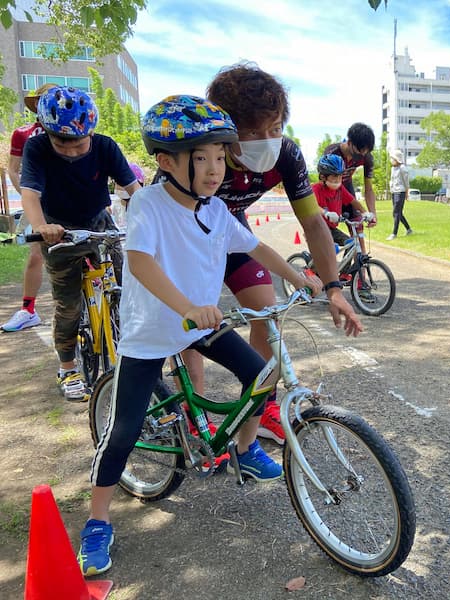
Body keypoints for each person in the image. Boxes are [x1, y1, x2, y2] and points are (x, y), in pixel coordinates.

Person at [76, 95, 323, 576]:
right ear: (167, 162)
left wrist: (301, 279)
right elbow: (142, 260)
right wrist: (187, 306)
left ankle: (245, 449)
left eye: (219, 157)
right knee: (124, 429)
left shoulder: (213, 209)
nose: (215, 170)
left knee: (263, 375)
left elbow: (255, 247)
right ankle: (98, 520)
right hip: (153, 333)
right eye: (201, 158)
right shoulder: (149, 203)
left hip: (199, 326)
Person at [203, 61, 362, 445]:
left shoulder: (287, 156)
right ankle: (193, 417)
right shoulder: (203, 153)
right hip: (190, 239)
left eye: (274, 128)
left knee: (266, 313)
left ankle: (263, 406)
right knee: (193, 325)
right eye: (252, 132)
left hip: (235, 232)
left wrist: (334, 288)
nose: (267, 140)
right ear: (226, 131)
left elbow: (313, 224)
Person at [20, 86, 140, 400]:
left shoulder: (105, 147)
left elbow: (133, 188)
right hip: (56, 229)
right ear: (46, 131)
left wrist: (151, 220)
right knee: (68, 304)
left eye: (80, 142)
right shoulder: (36, 148)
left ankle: (131, 351)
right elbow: (30, 194)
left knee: (128, 289)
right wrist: (41, 226)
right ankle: (68, 367)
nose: (72, 150)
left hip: (99, 222)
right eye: (62, 142)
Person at [1, 84, 58, 333]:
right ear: (35, 104)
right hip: (38, 202)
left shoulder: (75, 128)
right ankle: (28, 309)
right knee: (36, 253)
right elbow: (13, 167)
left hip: (72, 200)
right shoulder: (24, 134)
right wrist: (27, 194)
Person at [324, 122, 378, 255]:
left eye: (365, 153)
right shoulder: (332, 152)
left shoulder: (366, 157)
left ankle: (359, 272)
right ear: (349, 142)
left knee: (358, 229)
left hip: (346, 188)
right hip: (329, 191)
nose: (361, 156)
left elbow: (369, 189)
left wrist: (372, 213)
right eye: (359, 152)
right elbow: (324, 181)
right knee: (326, 234)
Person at [313, 154, 368, 247]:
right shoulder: (316, 189)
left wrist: (365, 212)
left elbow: (353, 201)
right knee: (331, 249)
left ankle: (346, 262)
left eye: (340, 176)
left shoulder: (340, 189)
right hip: (317, 229)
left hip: (331, 229)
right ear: (323, 177)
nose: (338, 179)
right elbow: (313, 206)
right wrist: (326, 213)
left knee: (351, 244)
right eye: (335, 176)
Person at [387, 148, 413, 240]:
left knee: (396, 212)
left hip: (400, 192)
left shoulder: (403, 168)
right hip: (394, 191)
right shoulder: (393, 168)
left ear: (397, 159)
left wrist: (406, 193)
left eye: (392, 158)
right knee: (398, 213)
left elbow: (406, 182)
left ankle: (394, 233)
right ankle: (409, 229)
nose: (391, 160)